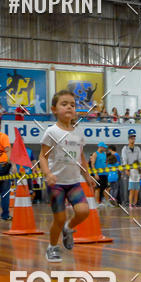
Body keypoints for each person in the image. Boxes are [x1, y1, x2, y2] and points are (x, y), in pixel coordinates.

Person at [39, 90, 94, 261]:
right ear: (54, 109)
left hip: (74, 182)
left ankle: (69, 228)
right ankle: (52, 247)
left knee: (84, 211)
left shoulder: (78, 132)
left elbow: (82, 157)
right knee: (59, 218)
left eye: (72, 104)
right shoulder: (51, 132)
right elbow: (42, 156)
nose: (69, 107)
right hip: (56, 183)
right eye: (64, 104)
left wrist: (87, 175)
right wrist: (47, 173)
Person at [121, 133, 141, 209]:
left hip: (136, 170)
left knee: (136, 189)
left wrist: (140, 169)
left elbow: (140, 159)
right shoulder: (125, 148)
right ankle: (127, 203)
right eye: (131, 138)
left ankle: (135, 203)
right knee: (129, 188)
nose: (133, 140)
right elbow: (124, 159)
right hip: (128, 170)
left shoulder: (137, 148)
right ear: (128, 139)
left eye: (134, 138)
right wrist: (127, 169)